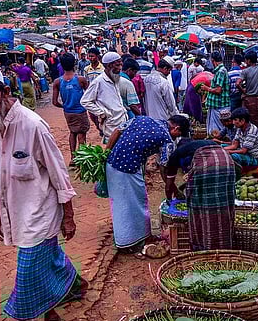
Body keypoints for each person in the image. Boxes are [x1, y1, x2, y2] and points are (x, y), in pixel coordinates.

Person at [0, 64, 88, 321]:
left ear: (5, 92)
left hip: (40, 211)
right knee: (50, 257)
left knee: (31, 270)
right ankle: (76, 285)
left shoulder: (32, 125)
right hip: (14, 210)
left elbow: (59, 173)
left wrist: (68, 216)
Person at [105, 115, 190, 257]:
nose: (176, 138)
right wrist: (172, 189)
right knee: (135, 206)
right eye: (178, 134)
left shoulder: (142, 118)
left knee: (120, 205)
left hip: (112, 164)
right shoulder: (166, 139)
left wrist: (106, 153)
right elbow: (164, 169)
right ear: (176, 128)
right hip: (128, 170)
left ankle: (128, 238)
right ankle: (133, 243)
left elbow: (117, 131)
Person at [186, 144, 236, 251]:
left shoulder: (177, 155)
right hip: (227, 161)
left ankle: (202, 247)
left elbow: (191, 192)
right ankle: (224, 247)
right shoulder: (192, 149)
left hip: (209, 167)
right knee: (225, 201)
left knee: (200, 207)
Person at [80, 52, 128, 143]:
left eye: (121, 64)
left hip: (121, 120)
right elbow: (85, 101)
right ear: (109, 65)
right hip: (111, 124)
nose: (120, 67)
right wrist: (102, 113)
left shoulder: (115, 78)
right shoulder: (99, 81)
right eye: (117, 65)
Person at [52, 54, 90, 165]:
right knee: (82, 134)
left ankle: (73, 157)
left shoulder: (57, 82)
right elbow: (89, 95)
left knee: (72, 132)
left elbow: (54, 102)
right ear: (74, 64)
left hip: (68, 112)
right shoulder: (81, 79)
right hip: (80, 111)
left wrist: (64, 106)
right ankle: (82, 158)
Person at [200, 51, 231, 135]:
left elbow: (218, 90)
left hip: (220, 105)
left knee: (219, 131)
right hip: (216, 105)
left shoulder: (221, 71)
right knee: (216, 130)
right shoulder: (220, 71)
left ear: (213, 60)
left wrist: (207, 88)